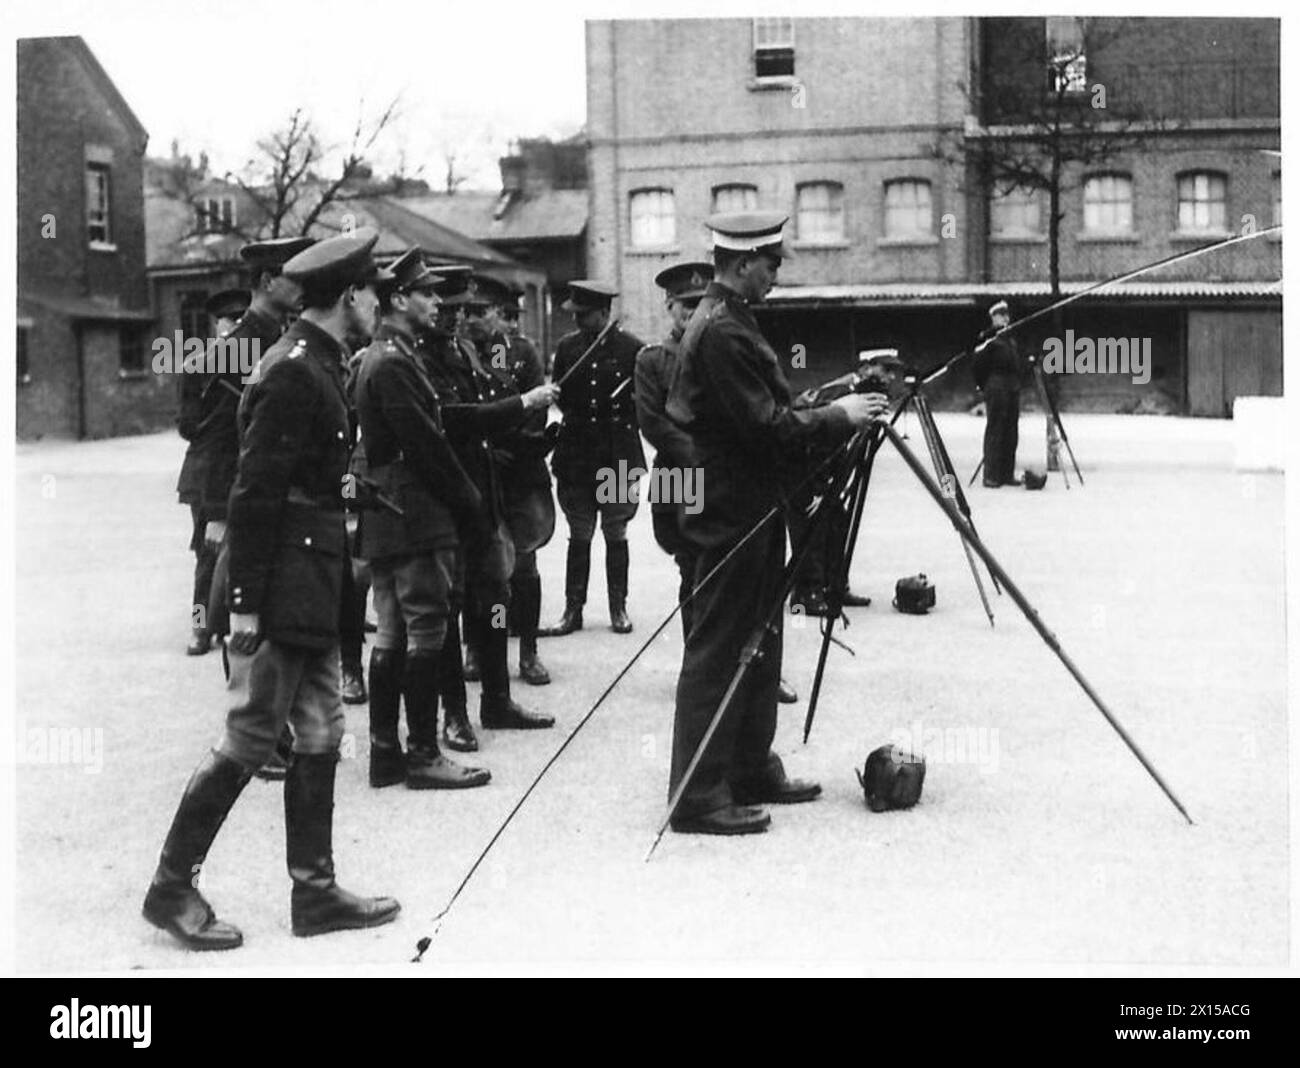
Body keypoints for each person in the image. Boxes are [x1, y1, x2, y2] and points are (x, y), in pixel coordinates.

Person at [142, 229, 400, 950]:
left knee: (321, 731)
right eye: (375, 293)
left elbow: (310, 478)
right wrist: (245, 605)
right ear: (350, 296)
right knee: (251, 737)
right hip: (280, 584)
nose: (380, 305)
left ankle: (314, 893)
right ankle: (170, 887)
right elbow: (252, 494)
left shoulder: (318, 362)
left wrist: (360, 492)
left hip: (310, 583)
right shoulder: (292, 370)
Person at [664, 211, 886, 836]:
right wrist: (839, 418)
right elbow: (764, 429)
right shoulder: (722, 331)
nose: (777, 275)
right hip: (730, 514)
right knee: (719, 650)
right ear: (741, 264)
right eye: (772, 263)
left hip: (751, 507)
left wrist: (825, 401)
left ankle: (749, 766)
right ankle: (696, 796)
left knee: (759, 643)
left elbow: (768, 412)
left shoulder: (731, 321)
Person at [352, 249, 491, 790]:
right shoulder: (392, 361)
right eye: (428, 293)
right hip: (415, 514)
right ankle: (423, 753)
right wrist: (470, 503)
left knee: (390, 632)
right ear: (399, 299)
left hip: (390, 513)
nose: (439, 301)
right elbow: (427, 447)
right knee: (426, 630)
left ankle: (387, 753)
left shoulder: (383, 354)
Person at [420, 272, 559, 742]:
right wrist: (523, 402)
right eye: (446, 308)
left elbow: (491, 409)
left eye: (462, 308)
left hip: (483, 496)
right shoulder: (420, 360)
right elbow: (458, 420)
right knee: (449, 606)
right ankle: (454, 714)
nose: (455, 316)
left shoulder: (469, 353)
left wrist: (532, 437)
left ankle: (497, 700)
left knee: (494, 599)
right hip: (444, 498)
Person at [462, 276, 557, 686]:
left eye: (483, 312)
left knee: (523, 563)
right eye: (469, 312)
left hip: (518, 471)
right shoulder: (458, 353)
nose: (473, 320)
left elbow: (536, 408)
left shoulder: (520, 353)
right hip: (477, 473)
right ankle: (477, 646)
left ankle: (529, 651)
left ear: (499, 316)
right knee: (478, 569)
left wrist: (510, 444)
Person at [540, 281, 646, 636]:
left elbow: (642, 402)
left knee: (615, 531)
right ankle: (574, 610)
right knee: (579, 532)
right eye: (575, 315)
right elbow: (562, 398)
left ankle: (618, 608)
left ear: (604, 312)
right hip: (577, 453)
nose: (579, 321)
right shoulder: (567, 348)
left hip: (616, 453)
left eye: (585, 315)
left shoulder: (632, 348)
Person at [176, 288, 250, 656]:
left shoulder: (255, 363)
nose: (235, 326)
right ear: (216, 325)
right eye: (229, 320)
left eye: (241, 320)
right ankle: (201, 627)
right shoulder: (199, 366)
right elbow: (186, 424)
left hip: (243, 463)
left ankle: (223, 620)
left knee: (244, 546)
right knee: (208, 551)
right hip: (208, 468)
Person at [972, 300, 1027, 487]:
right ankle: (991, 475)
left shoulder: (1010, 339)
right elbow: (978, 366)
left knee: (1011, 432)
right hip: (996, 385)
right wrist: (984, 386)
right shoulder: (988, 338)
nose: (1005, 318)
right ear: (993, 317)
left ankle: (1006, 474)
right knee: (995, 430)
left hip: (1012, 386)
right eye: (1001, 315)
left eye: (1007, 315)